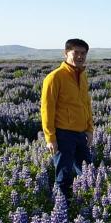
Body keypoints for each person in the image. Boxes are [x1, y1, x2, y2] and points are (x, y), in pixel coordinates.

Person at [41, 38, 94, 199]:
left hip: (81, 133)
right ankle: (60, 213)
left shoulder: (82, 76)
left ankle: (85, 204)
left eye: (83, 53)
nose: (79, 56)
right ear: (66, 53)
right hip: (63, 134)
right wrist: (50, 138)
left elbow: (86, 104)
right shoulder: (54, 77)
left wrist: (89, 129)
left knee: (88, 172)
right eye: (75, 52)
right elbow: (47, 109)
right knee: (63, 176)